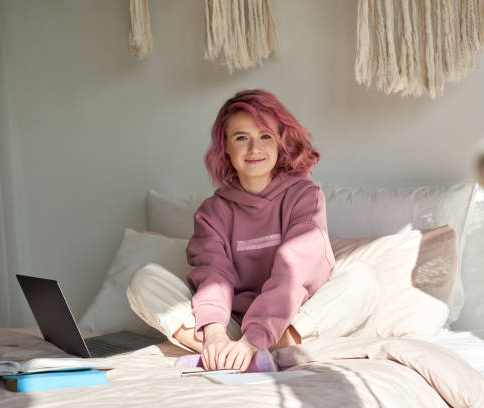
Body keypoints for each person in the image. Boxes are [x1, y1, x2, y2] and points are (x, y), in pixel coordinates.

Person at [127, 89, 377, 372]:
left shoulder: (305, 196)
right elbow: (213, 276)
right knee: (144, 280)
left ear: (280, 143)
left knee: (361, 280)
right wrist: (216, 334)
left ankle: (253, 353)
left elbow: (294, 270)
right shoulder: (213, 211)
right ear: (226, 148)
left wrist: (255, 339)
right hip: (231, 327)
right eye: (241, 138)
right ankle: (227, 353)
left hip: (290, 321)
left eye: (265, 136)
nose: (254, 148)